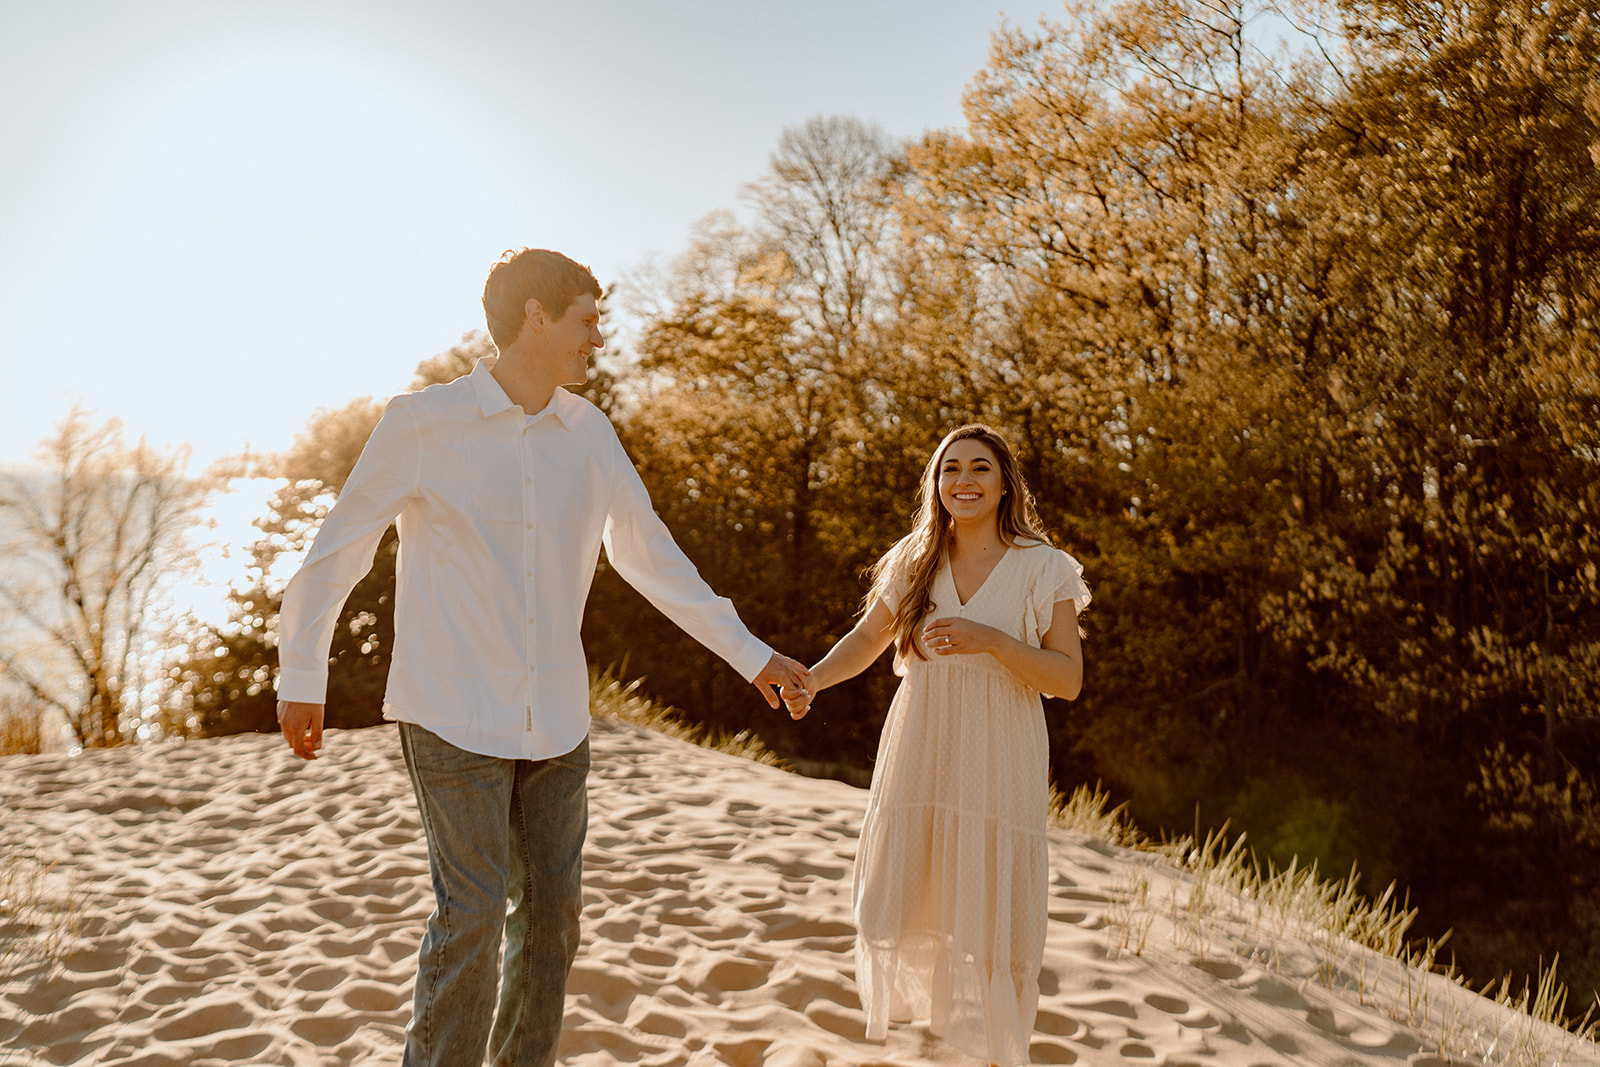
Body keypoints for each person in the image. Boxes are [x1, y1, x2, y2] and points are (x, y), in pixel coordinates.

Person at [274, 247, 810, 1067]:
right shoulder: (422, 421)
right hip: (452, 715)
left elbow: (650, 556)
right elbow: (339, 545)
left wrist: (751, 653)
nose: (598, 337)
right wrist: (302, 673)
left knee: (556, 915)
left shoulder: (588, 434)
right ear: (534, 316)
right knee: (476, 912)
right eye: (587, 318)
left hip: (557, 721)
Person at [781, 423, 1088, 1067]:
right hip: (923, 738)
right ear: (935, 483)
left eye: (980, 468)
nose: (964, 481)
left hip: (1000, 746)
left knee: (991, 908)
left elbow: (1067, 679)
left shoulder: (1043, 566)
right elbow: (868, 641)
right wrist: (813, 680)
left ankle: (995, 1050)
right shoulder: (914, 559)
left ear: (1006, 484)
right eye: (950, 470)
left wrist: (994, 641)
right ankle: (931, 1045)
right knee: (907, 896)